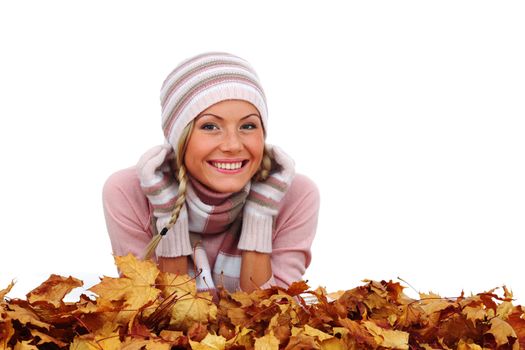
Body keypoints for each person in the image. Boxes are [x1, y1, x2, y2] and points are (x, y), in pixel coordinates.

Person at [102, 52, 320, 293]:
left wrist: (259, 216)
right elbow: (156, 315)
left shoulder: (294, 193)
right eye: (210, 126)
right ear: (179, 136)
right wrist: (168, 217)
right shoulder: (129, 191)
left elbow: (276, 318)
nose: (233, 145)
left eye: (248, 126)